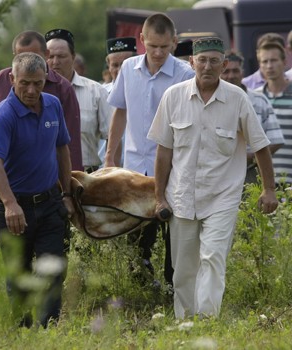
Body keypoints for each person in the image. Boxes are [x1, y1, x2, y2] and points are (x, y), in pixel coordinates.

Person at [148, 37, 278, 319]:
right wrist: (159, 197)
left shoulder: (237, 99)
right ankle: (185, 321)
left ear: (224, 65)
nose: (207, 66)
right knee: (183, 267)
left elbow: (261, 147)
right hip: (181, 195)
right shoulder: (173, 96)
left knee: (212, 258)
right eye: (202, 60)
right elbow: (163, 153)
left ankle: (207, 321)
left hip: (223, 196)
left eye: (214, 61)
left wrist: (269, 189)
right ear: (192, 62)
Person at [0, 52, 74, 328]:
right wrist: (10, 204)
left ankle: (48, 329)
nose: (32, 90)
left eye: (38, 83)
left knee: (53, 269)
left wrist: (67, 194)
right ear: (12, 79)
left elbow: (62, 149)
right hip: (15, 207)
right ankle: (21, 331)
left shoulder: (53, 105)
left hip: (49, 202)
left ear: (46, 79)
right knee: (18, 273)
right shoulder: (4, 116)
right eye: (25, 83)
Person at [105, 13, 195, 286]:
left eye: (164, 47)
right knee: (136, 233)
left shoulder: (185, 74)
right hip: (134, 164)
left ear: (174, 43)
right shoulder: (129, 69)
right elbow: (120, 111)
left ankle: (172, 287)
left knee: (173, 232)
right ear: (141, 39)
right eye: (152, 45)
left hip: (174, 167)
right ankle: (141, 286)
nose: (157, 52)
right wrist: (110, 156)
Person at [0, 31, 82, 188]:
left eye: (34, 56)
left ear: (46, 54)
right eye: (21, 56)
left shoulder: (62, 89)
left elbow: (69, 144)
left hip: (49, 185)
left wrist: (70, 190)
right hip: (8, 180)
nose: (28, 62)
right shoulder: (1, 80)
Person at [46, 28, 112, 173]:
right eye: (50, 56)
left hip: (86, 177)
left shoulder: (96, 91)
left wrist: (110, 168)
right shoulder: (36, 93)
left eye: (62, 56)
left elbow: (112, 136)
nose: (55, 62)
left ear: (73, 57)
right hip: (46, 180)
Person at [220, 50, 284, 183]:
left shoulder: (259, 100)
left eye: (235, 71)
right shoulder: (212, 101)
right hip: (219, 174)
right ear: (219, 73)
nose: (231, 76)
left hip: (252, 173)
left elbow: (276, 140)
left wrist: (250, 157)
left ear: (242, 73)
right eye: (226, 71)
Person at [254, 41, 292, 185]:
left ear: (284, 62)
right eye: (265, 61)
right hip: (263, 183)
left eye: (274, 60)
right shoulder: (255, 98)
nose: (269, 66)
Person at [98, 36, 137, 166]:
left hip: (137, 169)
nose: (120, 70)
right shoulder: (99, 94)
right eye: (115, 65)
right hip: (105, 169)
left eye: (125, 63)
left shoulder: (146, 93)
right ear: (108, 66)